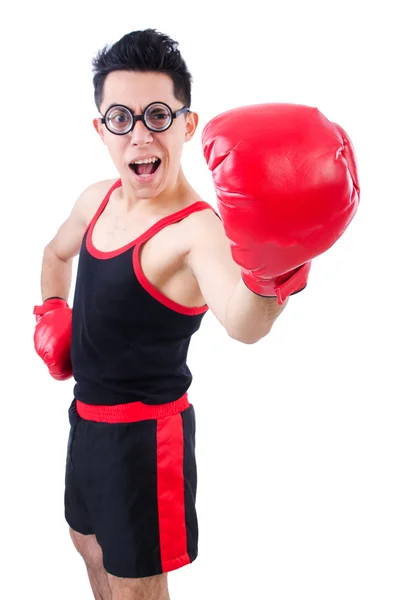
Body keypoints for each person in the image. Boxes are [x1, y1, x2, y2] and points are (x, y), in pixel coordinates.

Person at [33, 29, 359, 600]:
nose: (139, 134)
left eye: (158, 115)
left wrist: (272, 270)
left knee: (137, 588)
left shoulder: (195, 231)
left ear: (186, 125)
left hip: (144, 441)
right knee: (86, 544)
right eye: (120, 118)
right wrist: (52, 310)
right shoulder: (95, 200)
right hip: (84, 420)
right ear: (100, 129)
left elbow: (242, 321)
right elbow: (54, 253)